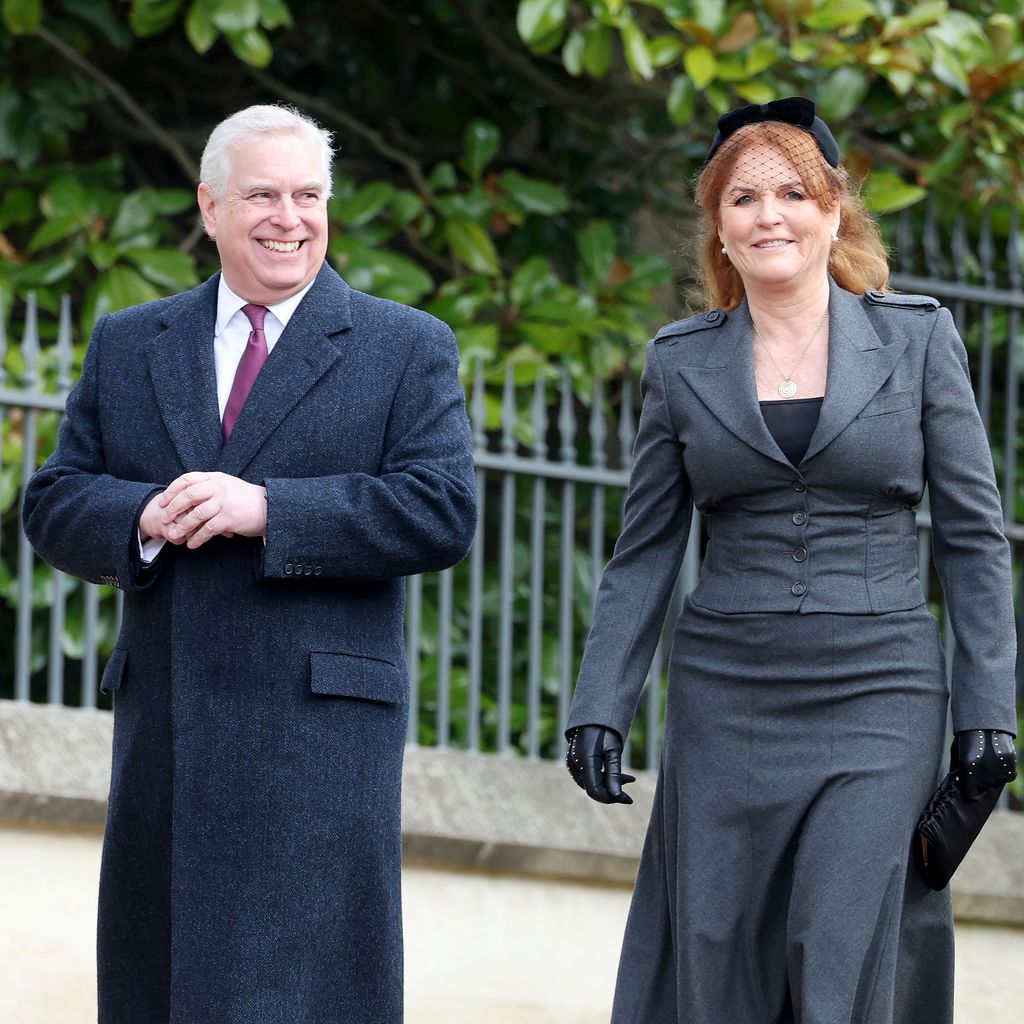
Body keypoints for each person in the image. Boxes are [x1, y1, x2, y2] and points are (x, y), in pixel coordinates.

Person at [564, 97, 1018, 1023]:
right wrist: (600, 703)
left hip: (879, 689)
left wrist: (989, 713)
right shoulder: (681, 361)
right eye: (743, 198)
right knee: (718, 947)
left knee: (838, 936)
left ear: (833, 212)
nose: (769, 214)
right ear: (719, 229)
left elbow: (974, 538)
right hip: (726, 691)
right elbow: (644, 552)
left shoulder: (919, 337)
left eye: (792, 192)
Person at [23, 104, 477, 1024]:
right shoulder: (131, 340)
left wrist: (269, 510)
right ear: (211, 206)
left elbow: (442, 511)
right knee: (162, 987)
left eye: (310, 195)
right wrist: (143, 514)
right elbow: (54, 499)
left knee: (301, 996)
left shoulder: (406, 345)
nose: (290, 217)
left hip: (316, 739)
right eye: (264, 194)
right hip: (169, 729)